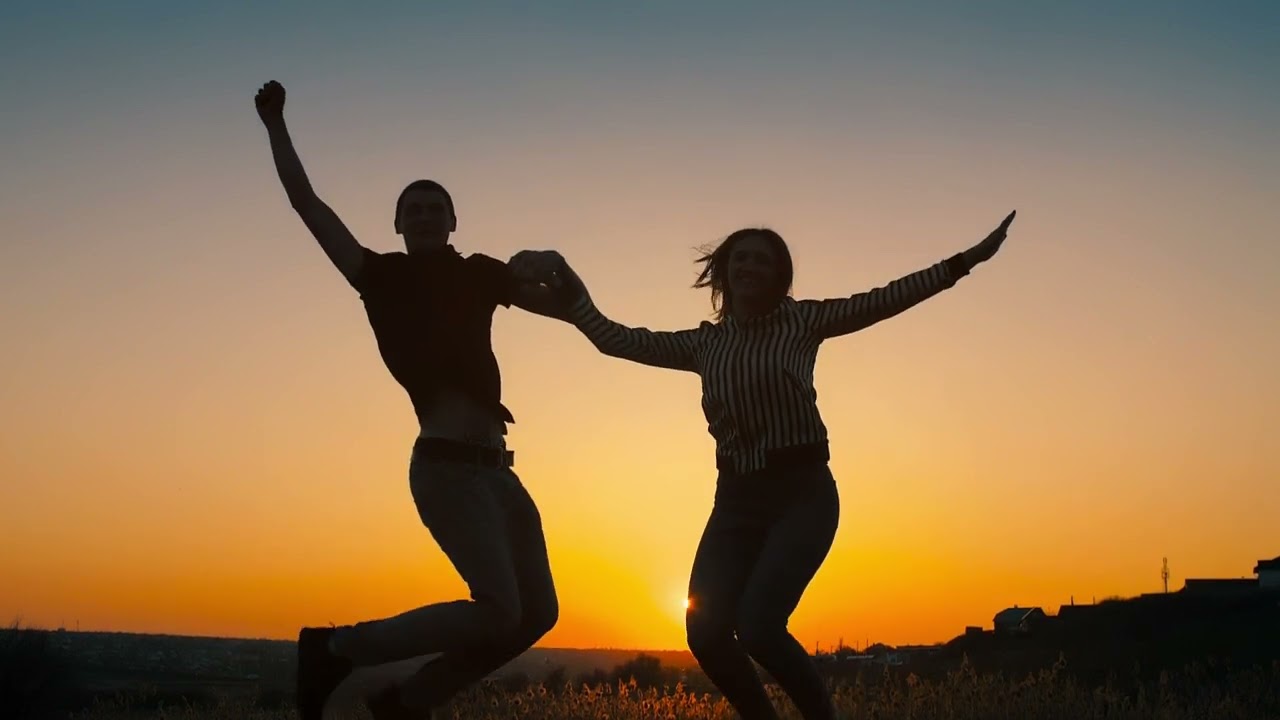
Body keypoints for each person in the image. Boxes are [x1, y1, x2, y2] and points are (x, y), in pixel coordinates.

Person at [521, 211, 1016, 720]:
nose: (749, 266)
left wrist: (966, 261)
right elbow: (618, 340)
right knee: (706, 632)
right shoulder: (704, 344)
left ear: (780, 275)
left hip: (802, 493)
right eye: (741, 258)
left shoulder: (804, 321)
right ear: (724, 271)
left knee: (759, 627)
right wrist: (572, 295)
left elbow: (885, 299)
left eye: (763, 259)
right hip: (735, 500)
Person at [253, 80, 568, 720]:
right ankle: (337, 648)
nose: (424, 216)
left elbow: (558, 304)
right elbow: (307, 204)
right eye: (412, 209)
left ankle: (409, 701)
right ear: (397, 224)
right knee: (498, 609)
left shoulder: (480, 273)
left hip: (501, 472)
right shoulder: (378, 277)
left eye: (435, 208)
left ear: (453, 222)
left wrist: (553, 267)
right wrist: (275, 125)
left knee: (537, 613)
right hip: (446, 467)